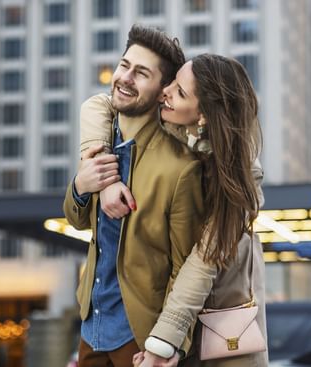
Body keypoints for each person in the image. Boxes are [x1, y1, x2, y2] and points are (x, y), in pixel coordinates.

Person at [78, 54, 268, 367]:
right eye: (172, 81)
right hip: (162, 309)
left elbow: (203, 262)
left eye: (179, 91)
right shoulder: (167, 123)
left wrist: (164, 341)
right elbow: (97, 105)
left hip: (221, 318)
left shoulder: (242, 176)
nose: (165, 91)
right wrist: (104, 176)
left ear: (203, 115)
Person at [63, 24, 205, 367]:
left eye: (141, 73)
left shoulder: (182, 167)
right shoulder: (98, 143)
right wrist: (82, 186)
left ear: (162, 92)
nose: (125, 77)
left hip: (141, 339)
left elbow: (185, 268)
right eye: (125, 65)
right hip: (91, 328)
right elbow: (77, 218)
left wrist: (170, 345)